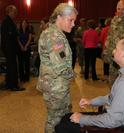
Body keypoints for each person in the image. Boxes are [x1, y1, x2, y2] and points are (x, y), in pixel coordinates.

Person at [55, 38, 124, 133]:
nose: (113, 51)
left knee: (62, 127)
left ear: (123, 54)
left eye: (116, 48)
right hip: (115, 118)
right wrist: (91, 102)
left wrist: (83, 119)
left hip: (119, 127)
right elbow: (113, 97)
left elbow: (113, 121)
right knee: (66, 117)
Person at [36, 3, 78, 133]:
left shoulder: (52, 33)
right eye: (70, 20)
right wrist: (73, 75)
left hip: (56, 85)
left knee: (60, 118)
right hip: (56, 87)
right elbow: (61, 67)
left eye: (74, 21)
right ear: (59, 17)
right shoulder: (54, 37)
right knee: (55, 121)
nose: (73, 24)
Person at [0, 5, 25, 91]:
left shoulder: (8, 21)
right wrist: (16, 30)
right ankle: (14, 86)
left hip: (8, 48)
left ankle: (8, 84)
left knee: (10, 66)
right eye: (14, 12)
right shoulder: (7, 22)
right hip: (9, 48)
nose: (15, 14)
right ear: (9, 12)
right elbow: (10, 35)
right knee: (12, 66)